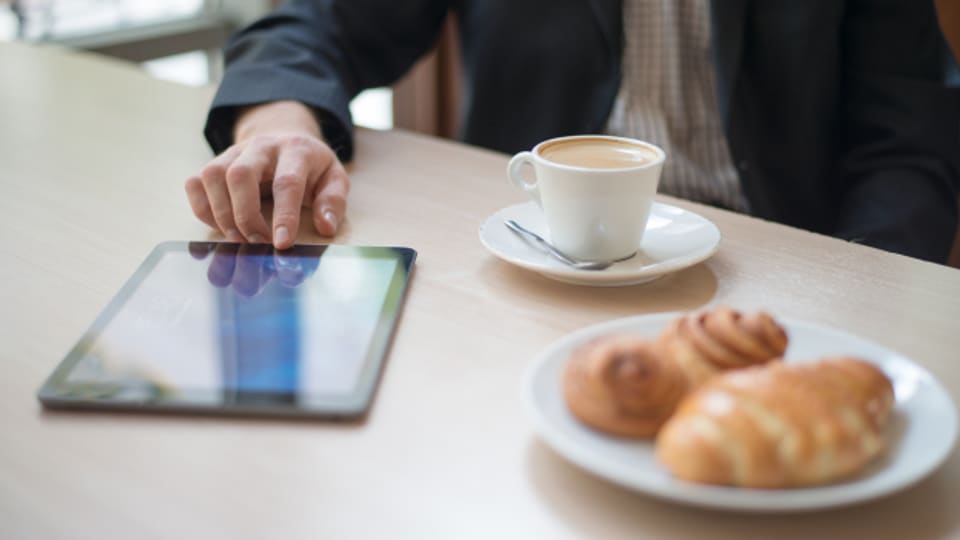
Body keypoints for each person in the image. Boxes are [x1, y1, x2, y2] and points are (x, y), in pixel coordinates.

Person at [186, 0, 960, 264]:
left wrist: (862, 285)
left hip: (780, 273)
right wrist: (279, 118)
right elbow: (316, 22)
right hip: (530, 268)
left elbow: (914, 129)